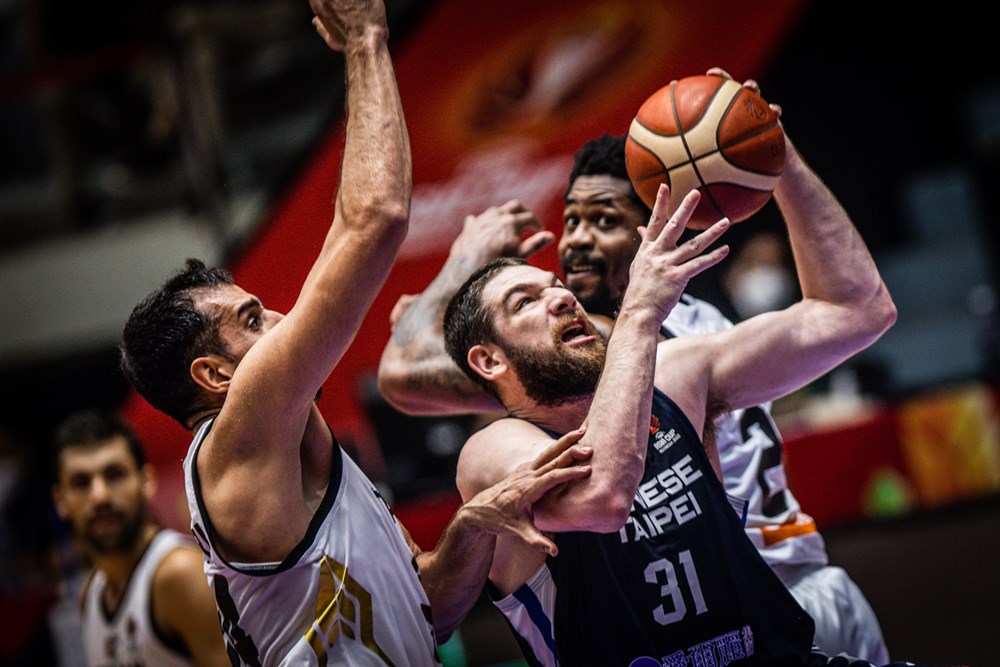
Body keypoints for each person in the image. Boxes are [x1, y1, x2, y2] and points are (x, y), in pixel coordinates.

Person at [117, 0, 593, 664]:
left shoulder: (293, 458)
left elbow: (429, 609)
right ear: (216, 375)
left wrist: (472, 523)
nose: (280, 319)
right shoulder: (236, 434)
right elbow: (375, 218)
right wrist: (366, 39)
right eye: (252, 320)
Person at [378, 71, 889, 662]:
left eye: (602, 221)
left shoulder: (676, 362)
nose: (562, 287)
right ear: (489, 361)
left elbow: (857, 310)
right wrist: (462, 269)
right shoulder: (495, 451)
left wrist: (779, 158)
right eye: (526, 300)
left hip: (786, 612)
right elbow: (603, 497)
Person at [51, 409, 230, 667]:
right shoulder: (90, 592)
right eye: (81, 483)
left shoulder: (178, 574)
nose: (100, 496)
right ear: (60, 500)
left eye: (114, 475)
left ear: (146, 480)